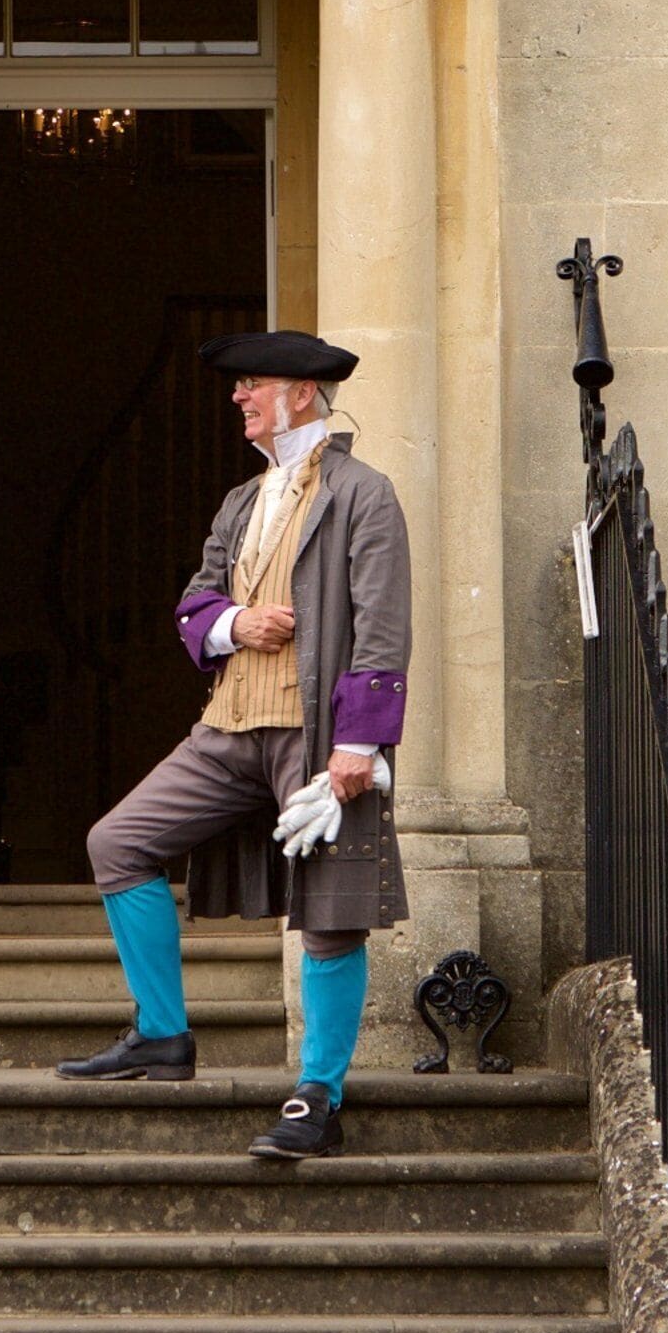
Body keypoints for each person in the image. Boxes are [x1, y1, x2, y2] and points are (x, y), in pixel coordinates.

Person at [55, 329, 409, 1163]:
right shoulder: (242, 502)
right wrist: (232, 623)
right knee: (120, 841)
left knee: (329, 914)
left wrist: (359, 744)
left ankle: (318, 1096)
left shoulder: (363, 493)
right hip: (228, 728)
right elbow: (194, 603)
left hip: (316, 736)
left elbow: (383, 624)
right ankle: (162, 1036)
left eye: (251, 385)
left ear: (300, 393)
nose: (238, 399)